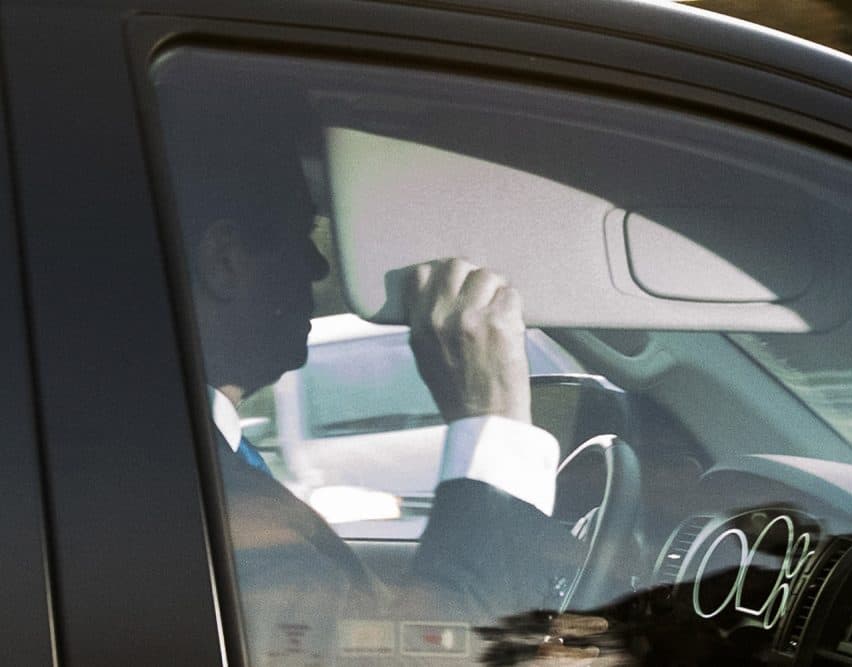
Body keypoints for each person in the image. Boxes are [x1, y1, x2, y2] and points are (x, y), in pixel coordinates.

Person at [159, 81, 591, 663]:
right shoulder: (184, 488)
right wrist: (491, 422)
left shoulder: (194, 457)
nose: (315, 264)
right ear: (225, 261)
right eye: (300, 231)